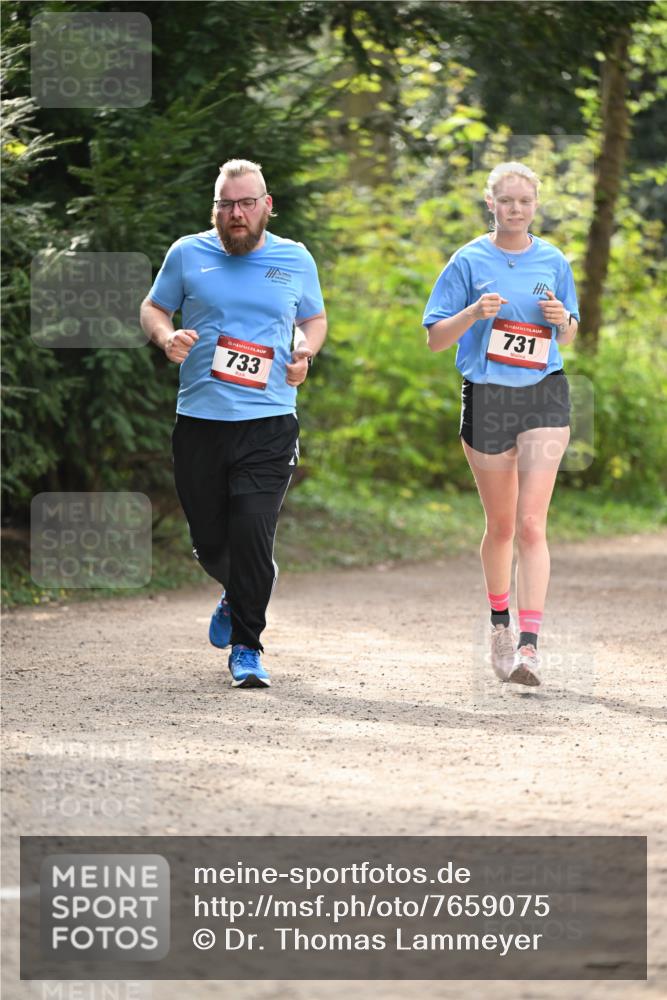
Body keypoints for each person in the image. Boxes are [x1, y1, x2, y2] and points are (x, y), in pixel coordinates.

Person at [140, 159, 327, 689]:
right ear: (215, 209)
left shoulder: (294, 258)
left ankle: (247, 647)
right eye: (227, 204)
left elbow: (311, 318)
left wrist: (305, 350)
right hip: (200, 420)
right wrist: (166, 337)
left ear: (267, 205)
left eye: (246, 203)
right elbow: (154, 308)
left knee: (252, 528)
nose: (236, 213)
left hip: (269, 422)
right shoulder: (187, 253)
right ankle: (244, 582)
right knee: (209, 539)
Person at [422, 162, 578, 687]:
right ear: (490, 203)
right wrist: (471, 314)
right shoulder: (468, 260)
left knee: (533, 523)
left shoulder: (554, 260)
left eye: (524, 201)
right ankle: (499, 626)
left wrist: (563, 322)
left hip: (544, 394)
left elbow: (571, 333)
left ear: (535, 206)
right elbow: (435, 339)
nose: (515, 208)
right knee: (503, 525)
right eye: (506, 200)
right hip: (488, 396)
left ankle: (530, 648)